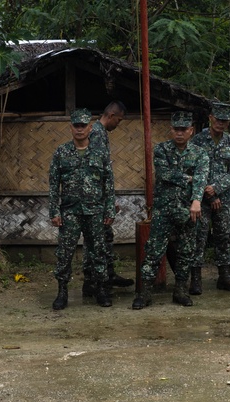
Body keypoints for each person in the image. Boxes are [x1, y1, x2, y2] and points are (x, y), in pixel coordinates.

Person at [132, 111, 209, 309]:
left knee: (185, 251)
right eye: (176, 129)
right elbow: (164, 173)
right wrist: (189, 178)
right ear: (171, 130)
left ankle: (181, 290)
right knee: (153, 251)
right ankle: (145, 293)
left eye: (184, 129)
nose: (180, 133)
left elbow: (201, 178)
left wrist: (196, 200)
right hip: (163, 210)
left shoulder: (200, 153)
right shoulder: (162, 149)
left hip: (188, 210)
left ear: (191, 131)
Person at [48, 108, 115, 310]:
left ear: (90, 127)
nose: (79, 129)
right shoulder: (61, 152)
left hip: (95, 211)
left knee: (98, 251)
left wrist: (110, 210)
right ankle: (62, 291)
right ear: (71, 128)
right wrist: (54, 211)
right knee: (65, 253)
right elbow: (53, 184)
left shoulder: (100, 153)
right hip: (70, 212)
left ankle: (101, 289)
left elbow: (109, 184)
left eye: (83, 126)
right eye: (76, 125)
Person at [83, 100, 134, 295]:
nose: (118, 124)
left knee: (104, 238)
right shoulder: (96, 133)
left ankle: (107, 276)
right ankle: (93, 282)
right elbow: (97, 172)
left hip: (99, 198)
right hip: (94, 199)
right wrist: (106, 201)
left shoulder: (99, 133)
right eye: (118, 120)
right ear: (111, 116)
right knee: (96, 240)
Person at [190, 101, 230, 293]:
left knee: (224, 236)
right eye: (218, 119)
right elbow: (192, 169)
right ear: (211, 118)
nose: (220, 123)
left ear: (228, 122)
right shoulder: (197, 141)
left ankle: (225, 276)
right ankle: (195, 278)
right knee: (199, 237)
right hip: (201, 200)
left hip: (224, 199)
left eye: (224, 120)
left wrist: (217, 189)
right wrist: (209, 194)